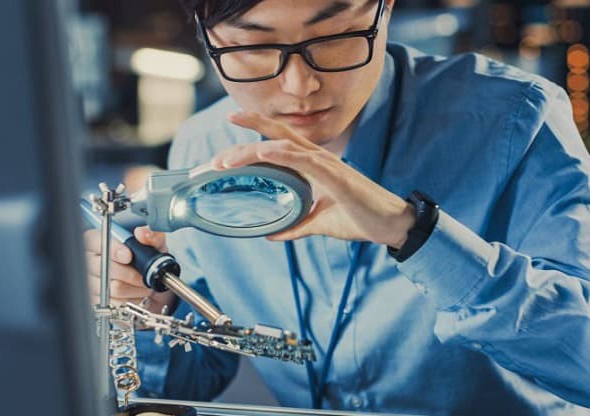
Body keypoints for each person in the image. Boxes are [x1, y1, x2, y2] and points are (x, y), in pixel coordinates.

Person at [84, 0, 590, 414]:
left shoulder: (518, 118)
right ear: (204, 32)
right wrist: (153, 308)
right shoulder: (201, 147)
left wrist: (413, 233)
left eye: (334, 37)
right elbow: (190, 381)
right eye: (253, 46)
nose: (300, 86)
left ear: (385, 10)